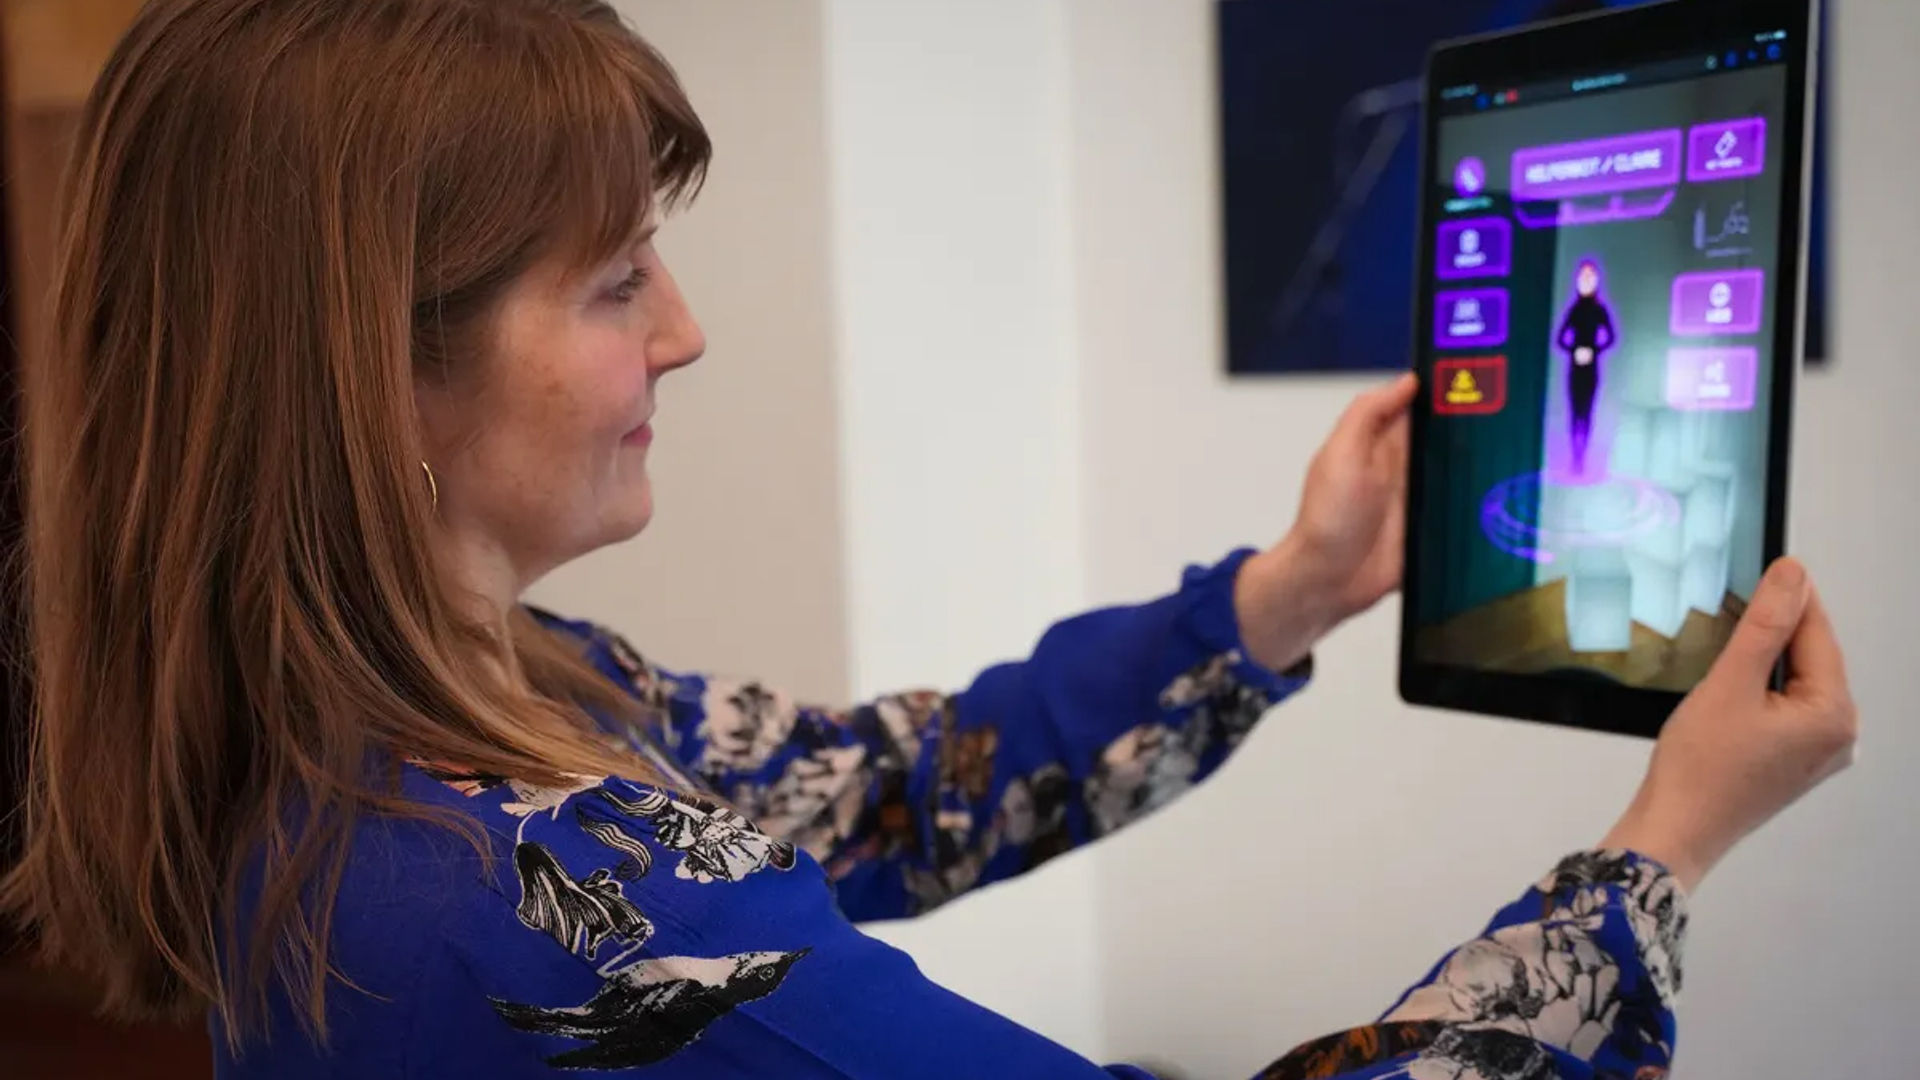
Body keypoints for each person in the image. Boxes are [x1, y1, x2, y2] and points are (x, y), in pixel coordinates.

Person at [0, 2, 1856, 1078]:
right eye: (616, 278)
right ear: (367, 368)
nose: (685, 333)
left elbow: (900, 789)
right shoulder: (554, 913)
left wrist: (1284, 596)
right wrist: (1663, 848)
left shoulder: (471, 711)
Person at [1556, 259, 1619, 477]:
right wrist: (1574, 350)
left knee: (1587, 411)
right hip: (1575, 366)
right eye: (1583, 277)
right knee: (1575, 412)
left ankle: (1583, 458)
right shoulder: (1574, 310)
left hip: (1591, 367)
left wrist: (1594, 350)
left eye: (1590, 277)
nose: (1586, 281)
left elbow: (1611, 337)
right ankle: (1575, 458)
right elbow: (1560, 338)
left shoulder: (1599, 309)